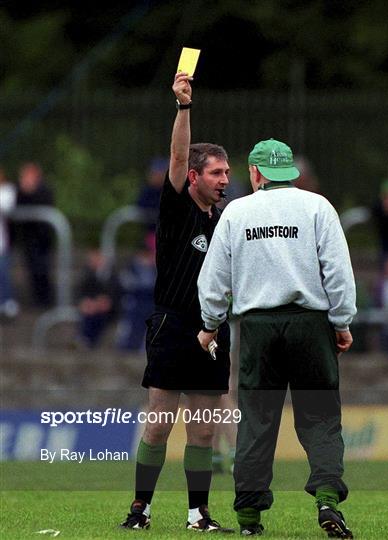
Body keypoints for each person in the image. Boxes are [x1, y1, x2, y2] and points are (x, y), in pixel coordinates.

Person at [198, 138, 357, 538]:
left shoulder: (236, 212)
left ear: (254, 173)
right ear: (291, 173)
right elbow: (338, 272)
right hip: (310, 324)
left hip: (257, 327)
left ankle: (250, 517)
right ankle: (326, 499)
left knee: (256, 421)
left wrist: (211, 323)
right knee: (320, 417)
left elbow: (214, 278)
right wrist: (341, 321)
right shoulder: (317, 206)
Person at [120, 71, 233, 533]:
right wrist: (184, 107)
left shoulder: (228, 220)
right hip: (171, 326)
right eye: (217, 172)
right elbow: (176, 153)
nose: (225, 179)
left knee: (204, 429)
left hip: (212, 331)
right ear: (194, 176)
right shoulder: (175, 207)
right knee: (159, 426)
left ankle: (197, 514)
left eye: (228, 172)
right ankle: (140, 509)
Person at [15, 162, 54, 307]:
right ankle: (38, 299)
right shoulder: (19, 190)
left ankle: (46, 300)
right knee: (31, 268)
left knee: (42, 269)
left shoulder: (45, 190)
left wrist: (31, 192)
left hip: (42, 237)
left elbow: (46, 205)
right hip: (28, 237)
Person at [76, 249, 117, 349]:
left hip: (110, 308)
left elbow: (116, 293)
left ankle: (88, 341)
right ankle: (85, 340)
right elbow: (82, 292)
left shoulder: (112, 275)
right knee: (89, 313)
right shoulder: (87, 275)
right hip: (93, 307)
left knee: (98, 315)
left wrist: (104, 302)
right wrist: (88, 302)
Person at [0, 167, 19, 319]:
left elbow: (5, 206)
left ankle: (7, 303)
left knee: (3, 274)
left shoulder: (7, 190)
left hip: (1, 243)